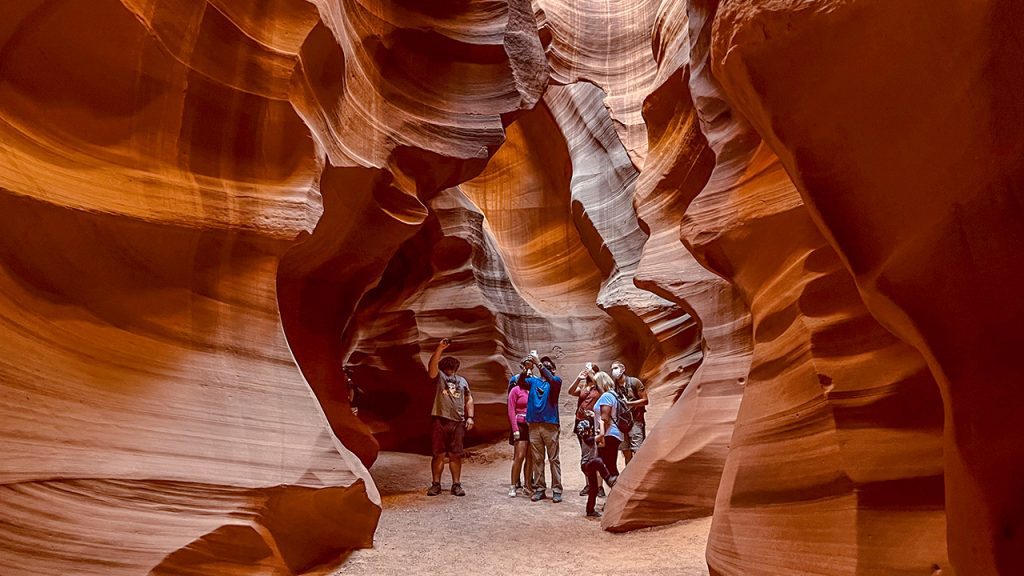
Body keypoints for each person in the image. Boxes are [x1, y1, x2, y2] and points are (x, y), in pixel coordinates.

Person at [426, 338, 475, 496]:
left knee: (455, 454)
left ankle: (456, 484)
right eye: (447, 366)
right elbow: (432, 368)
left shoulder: (462, 381)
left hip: (457, 422)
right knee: (438, 454)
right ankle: (436, 484)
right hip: (440, 419)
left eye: (452, 366)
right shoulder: (439, 378)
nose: (450, 368)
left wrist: (470, 417)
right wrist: (440, 349)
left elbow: (469, 399)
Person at [524, 353, 563, 503]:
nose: (544, 368)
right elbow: (521, 382)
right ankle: (540, 488)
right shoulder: (534, 382)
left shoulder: (556, 382)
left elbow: (553, 380)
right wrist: (526, 368)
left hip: (550, 425)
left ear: (553, 370)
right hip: (534, 425)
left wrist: (539, 363)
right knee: (537, 459)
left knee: (553, 459)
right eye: (543, 366)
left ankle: (557, 489)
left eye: (548, 367)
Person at [586, 371, 622, 517]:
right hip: (611, 435)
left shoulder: (607, 396)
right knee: (607, 467)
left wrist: (600, 438)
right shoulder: (613, 394)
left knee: (608, 468)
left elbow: (605, 419)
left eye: (596, 383)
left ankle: (617, 499)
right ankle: (614, 499)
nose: (594, 386)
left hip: (608, 435)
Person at [568, 362, 604, 498]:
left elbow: (605, 395)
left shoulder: (599, 386)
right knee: (585, 454)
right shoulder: (584, 386)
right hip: (581, 423)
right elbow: (571, 392)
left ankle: (599, 486)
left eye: (590, 370)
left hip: (593, 423)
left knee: (595, 454)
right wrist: (578, 378)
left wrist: (592, 376)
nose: (587, 372)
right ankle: (589, 484)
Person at [611, 360, 648, 465]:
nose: (614, 371)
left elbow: (645, 400)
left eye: (615, 368)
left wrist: (630, 404)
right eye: (612, 369)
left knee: (638, 450)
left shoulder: (634, 382)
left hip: (635, 420)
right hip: (622, 423)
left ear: (623, 369)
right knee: (626, 452)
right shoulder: (614, 387)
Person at [507, 366, 533, 497]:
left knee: (530, 457)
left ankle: (527, 485)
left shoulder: (532, 391)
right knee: (520, 456)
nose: (529, 379)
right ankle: (513, 485)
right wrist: (515, 429)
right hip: (520, 426)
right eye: (527, 377)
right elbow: (511, 410)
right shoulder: (516, 390)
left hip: (532, 426)